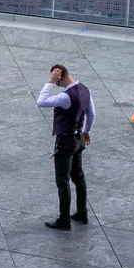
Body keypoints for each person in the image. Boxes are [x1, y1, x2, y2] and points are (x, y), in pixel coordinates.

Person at [35, 64, 95, 231]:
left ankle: (64, 219)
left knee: (63, 180)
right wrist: (87, 131)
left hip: (66, 141)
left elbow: (41, 102)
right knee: (79, 176)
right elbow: (92, 114)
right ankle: (82, 212)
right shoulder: (84, 89)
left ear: (59, 78)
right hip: (79, 139)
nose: (57, 84)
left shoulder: (65, 97)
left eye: (57, 81)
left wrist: (49, 82)